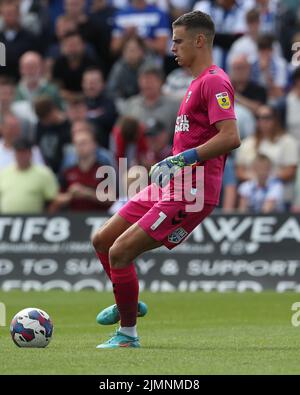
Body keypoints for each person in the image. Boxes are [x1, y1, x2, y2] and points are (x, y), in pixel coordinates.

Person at [92, 10, 240, 348]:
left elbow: (231, 136)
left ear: (199, 41)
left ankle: (128, 335)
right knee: (102, 240)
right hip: (171, 185)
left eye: (178, 41)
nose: (171, 47)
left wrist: (183, 158)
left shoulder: (215, 81)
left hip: (193, 192)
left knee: (121, 252)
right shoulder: (194, 83)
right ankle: (126, 302)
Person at [0, 137, 58, 214]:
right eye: (18, 152)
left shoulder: (43, 173)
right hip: (6, 222)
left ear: (30, 153)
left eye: (24, 152)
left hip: (33, 222)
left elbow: (54, 200)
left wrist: (47, 218)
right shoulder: (4, 173)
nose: (21, 156)